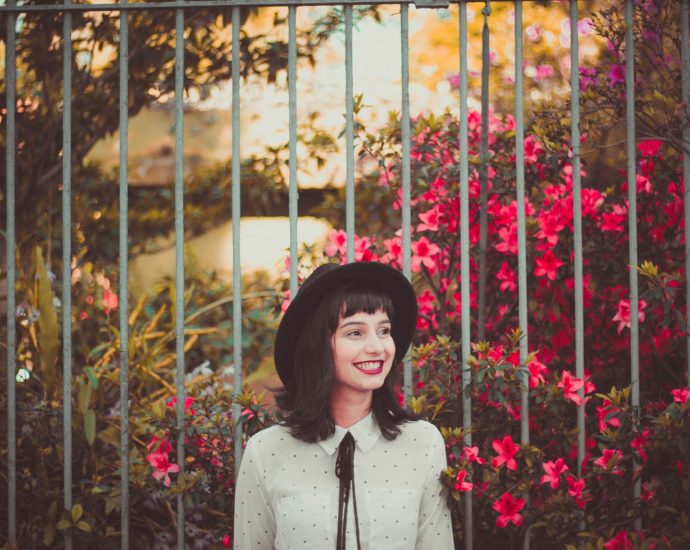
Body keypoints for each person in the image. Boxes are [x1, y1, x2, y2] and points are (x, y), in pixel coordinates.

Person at [233, 261, 454, 549]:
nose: (377, 347)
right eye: (355, 332)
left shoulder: (424, 444)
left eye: (384, 330)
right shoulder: (266, 452)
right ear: (318, 346)